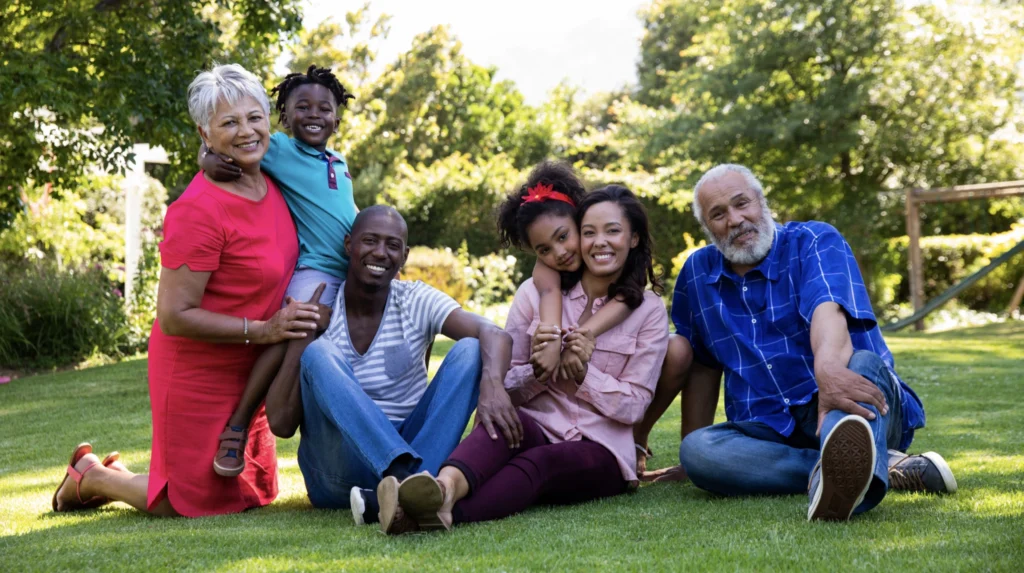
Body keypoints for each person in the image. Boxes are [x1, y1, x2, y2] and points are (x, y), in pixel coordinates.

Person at [51, 64, 322, 517]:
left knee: (253, 495)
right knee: (185, 502)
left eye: (254, 117)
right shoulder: (197, 210)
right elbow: (174, 314)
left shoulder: (276, 182)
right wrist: (264, 328)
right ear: (204, 132)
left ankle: (101, 473)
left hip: (254, 365)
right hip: (198, 367)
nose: (246, 131)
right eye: (229, 123)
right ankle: (92, 476)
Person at [670, 164, 957, 521]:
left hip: (853, 399)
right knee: (698, 451)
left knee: (864, 363)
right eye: (718, 214)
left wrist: (829, 374)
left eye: (742, 203)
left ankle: (854, 463)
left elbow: (828, 309)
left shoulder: (815, 240)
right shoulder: (697, 273)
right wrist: (692, 463)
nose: (735, 219)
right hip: (768, 430)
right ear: (707, 228)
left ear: (762, 201)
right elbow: (702, 366)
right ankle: (870, 465)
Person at [377, 185, 670, 534]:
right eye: (589, 232)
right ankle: (442, 489)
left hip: (601, 447)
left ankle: (432, 512)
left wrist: (582, 376)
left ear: (633, 239)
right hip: (539, 424)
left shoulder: (649, 310)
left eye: (613, 231)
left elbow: (635, 406)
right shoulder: (535, 293)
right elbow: (510, 387)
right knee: (500, 426)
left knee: (539, 462)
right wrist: (539, 370)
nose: (598, 242)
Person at [261, 205, 520, 527]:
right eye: (369, 240)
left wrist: (493, 388)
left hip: (417, 449)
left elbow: (495, 334)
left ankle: (392, 495)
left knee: (470, 349)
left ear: (405, 255)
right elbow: (282, 425)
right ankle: (404, 479)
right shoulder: (321, 306)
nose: (380, 252)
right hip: (337, 474)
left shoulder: (414, 299)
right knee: (319, 353)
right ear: (348, 245)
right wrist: (305, 337)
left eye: (392, 245)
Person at [200, 65, 358, 477]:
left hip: (352, 275)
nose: (313, 114)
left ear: (336, 119)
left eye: (324, 108)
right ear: (284, 118)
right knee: (292, 327)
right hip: (316, 271)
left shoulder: (338, 162)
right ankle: (238, 424)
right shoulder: (281, 150)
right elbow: (226, 146)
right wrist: (207, 162)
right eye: (301, 106)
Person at [497, 162, 631, 386]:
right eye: (544, 250)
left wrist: (576, 339)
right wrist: (551, 342)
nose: (559, 253)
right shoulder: (544, 273)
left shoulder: (618, 261)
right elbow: (549, 291)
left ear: (580, 221)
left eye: (562, 236)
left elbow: (629, 295)